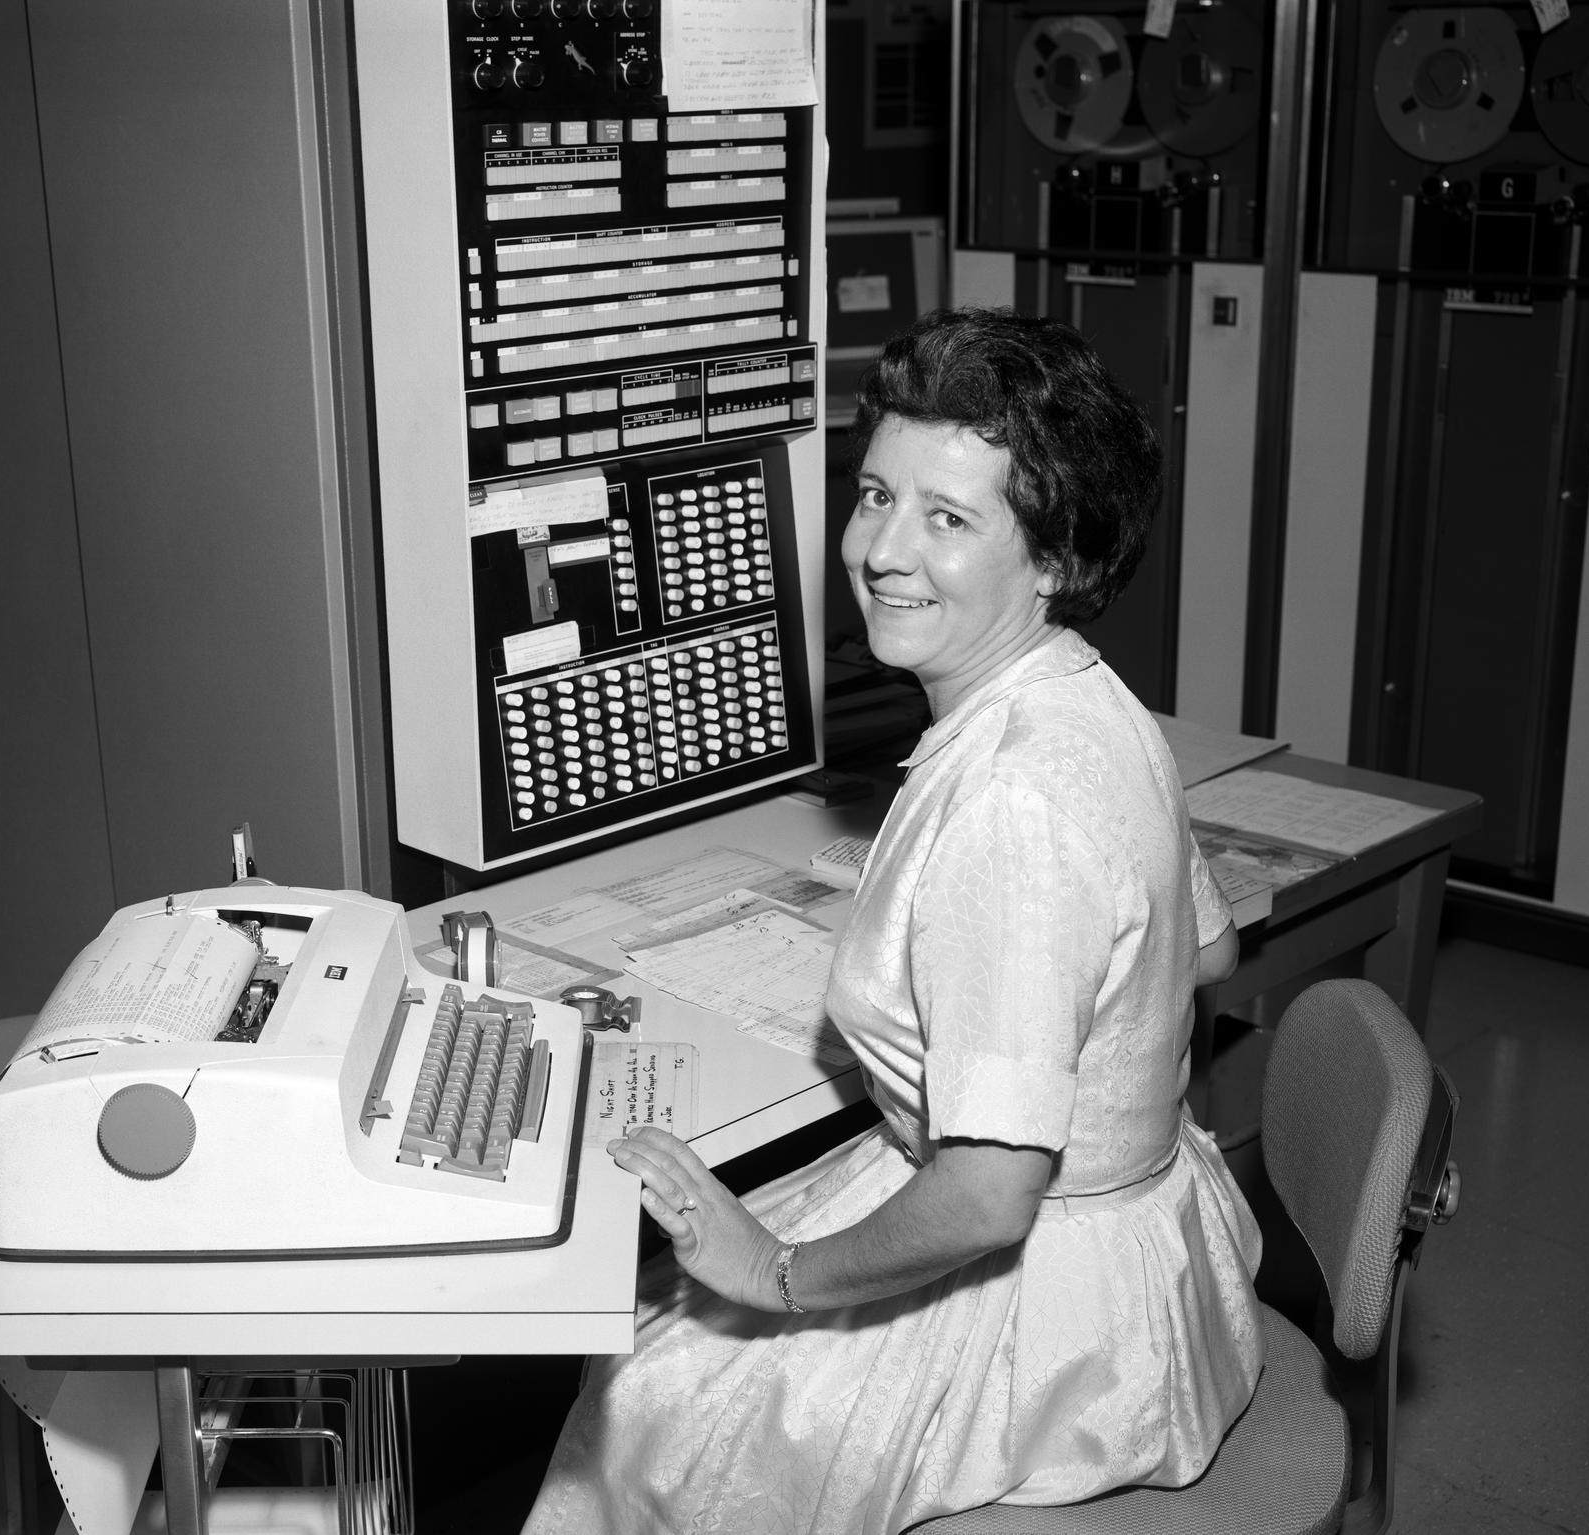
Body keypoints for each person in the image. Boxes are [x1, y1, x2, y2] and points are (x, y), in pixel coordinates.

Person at [523, 308, 1264, 1534]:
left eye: (949, 516)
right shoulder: (1094, 700)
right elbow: (1211, 946)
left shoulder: (1010, 802)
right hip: (1152, 1243)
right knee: (674, 1319)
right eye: (877, 494)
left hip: (1054, 1324)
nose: (882, 548)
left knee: (651, 1395)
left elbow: (984, 1199)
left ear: (1058, 557)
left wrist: (777, 1272)